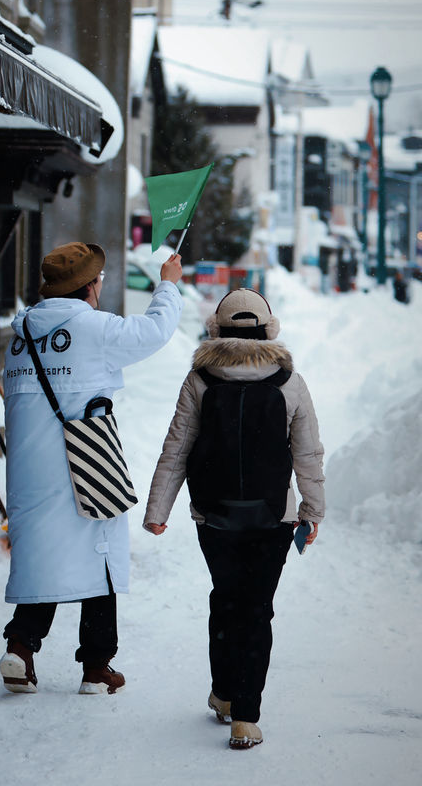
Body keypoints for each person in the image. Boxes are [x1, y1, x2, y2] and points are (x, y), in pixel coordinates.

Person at [0, 241, 183, 695]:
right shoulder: (92, 328)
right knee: (98, 555)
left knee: (43, 558)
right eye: (99, 280)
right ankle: (96, 667)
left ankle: (20, 648)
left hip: (28, 467)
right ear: (89, 286)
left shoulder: (21, 333)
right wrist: (168, 285)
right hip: (83, 462)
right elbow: (155, 331)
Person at [143, 287, 325, 748]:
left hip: (215, 517)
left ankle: (223, 693)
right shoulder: (290, 381)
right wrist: (312, 510)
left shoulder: (200, 379)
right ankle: (247, 715)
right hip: (273, 518)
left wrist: (158, 510)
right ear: (268, 329)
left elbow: (177, 449)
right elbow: (307, 454)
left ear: (217, 329)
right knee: (256, 611)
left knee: (225, 599)